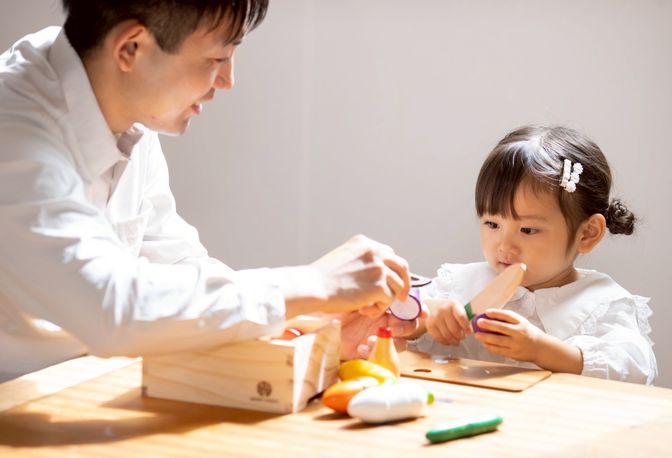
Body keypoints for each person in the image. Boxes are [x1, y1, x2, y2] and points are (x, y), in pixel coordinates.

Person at [0, 0, 416, 382]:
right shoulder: (16, 133)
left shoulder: (120, 103)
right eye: (216, 59)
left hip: (84, 387)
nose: (228, 80)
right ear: (131, 48)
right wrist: (314, 282)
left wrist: (304, 318)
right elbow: (111, 309)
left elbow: (176, 263)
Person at [409, 125, 658, 384]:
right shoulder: (461, 284)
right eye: (492, 224)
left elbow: (636, 370)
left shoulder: (601, 301)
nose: (504, 246)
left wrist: (541, 349)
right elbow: (394, 317)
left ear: (587, 233)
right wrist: (427, 316)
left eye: (527, 230)